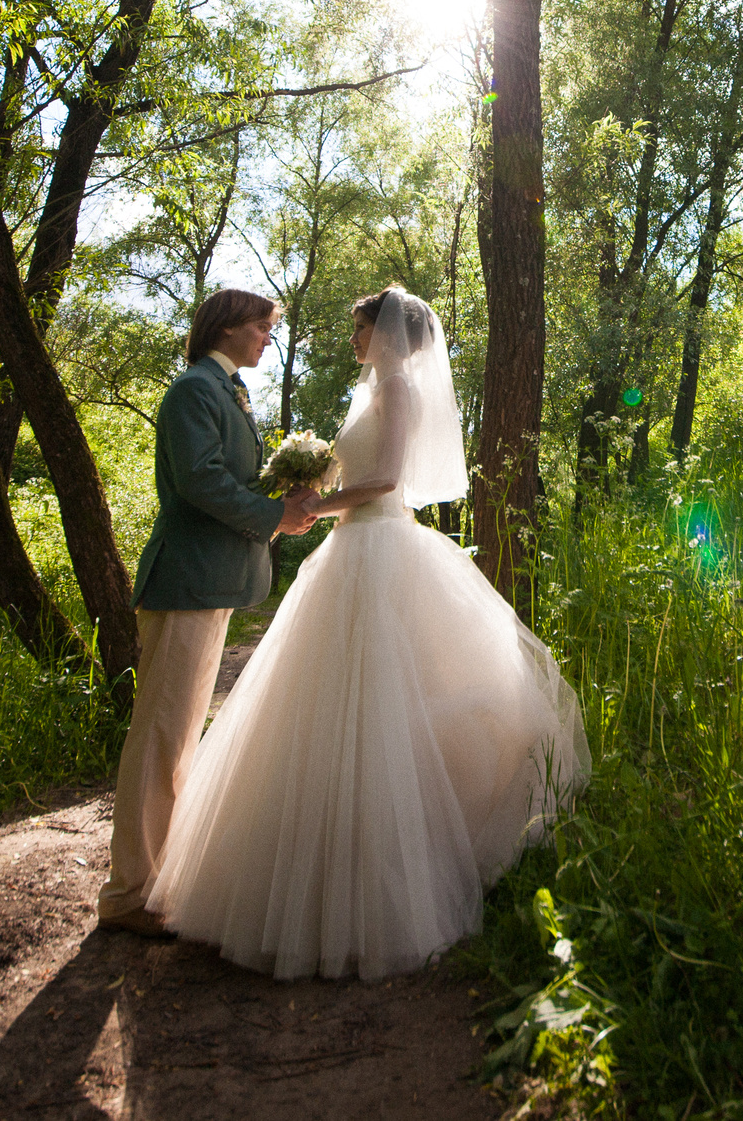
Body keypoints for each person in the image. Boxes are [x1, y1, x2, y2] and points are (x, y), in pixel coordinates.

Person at [147, 285, 591, 979]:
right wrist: (302, 500)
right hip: (347, 551)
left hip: (381, 549)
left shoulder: (401, 392)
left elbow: (385, 481)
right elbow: (349, 470)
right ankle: (313, 869)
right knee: (324, 713)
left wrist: (314, 504)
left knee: (386, 709)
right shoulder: (366, 394)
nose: (353, 340)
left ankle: (392, 879)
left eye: (359, 330)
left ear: (386, 332)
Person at [96, 289, 376, 939]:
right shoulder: (195, 389)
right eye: (260, 326)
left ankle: (154, 877)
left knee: (179, 735)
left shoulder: (229, 393)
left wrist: (290, 500)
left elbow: (232, 483)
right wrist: (273, 514)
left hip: (214, 580)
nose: (265, 339)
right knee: (161, 735)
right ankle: (128, 890)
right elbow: (199, 482)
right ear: (226, 326)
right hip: (186, 579)